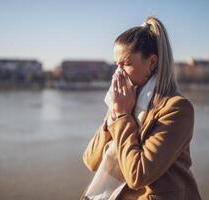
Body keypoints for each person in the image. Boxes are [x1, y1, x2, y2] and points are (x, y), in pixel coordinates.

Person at [82, 16, 202, 200]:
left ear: (152, 62)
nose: (118, 73)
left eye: (126, 64)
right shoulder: (123, 102)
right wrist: (115, 116)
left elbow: (137, 176)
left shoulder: (177, 109)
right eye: (117, 65)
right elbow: (90, 161)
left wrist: (122, 117)